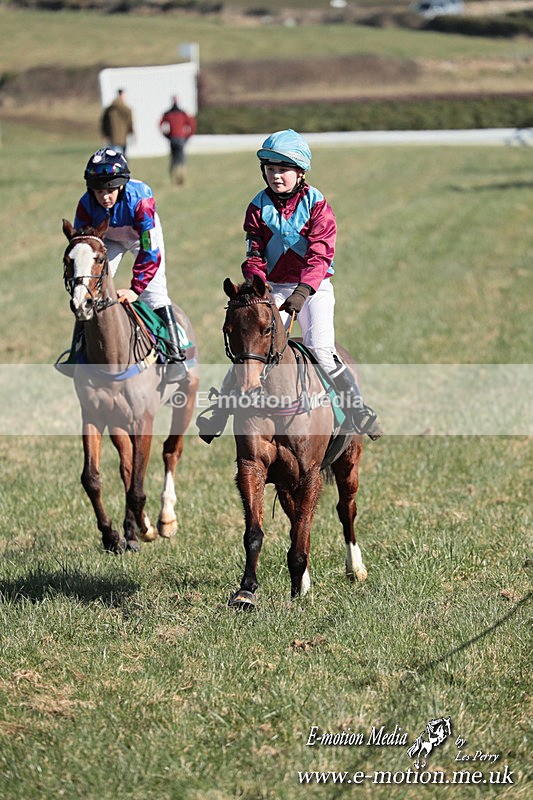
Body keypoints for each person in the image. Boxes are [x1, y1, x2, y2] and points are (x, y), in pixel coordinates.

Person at [197, 128, 382, 443]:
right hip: (274, 290)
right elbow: (254, 255)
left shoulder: (317, 205)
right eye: (270, 170)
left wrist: (302, 291)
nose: (276, 176)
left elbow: (320, 255)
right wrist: (258, 286)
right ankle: (222, 408)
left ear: (300, 172)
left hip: (315, 287)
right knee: (253, 348)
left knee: (321, 350)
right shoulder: (257, 207)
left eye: (282, 170)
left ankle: (357, 409)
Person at [56, 148, 186, 379]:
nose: (105, 197)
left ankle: (175, 355)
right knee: (87, 291)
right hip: (108, 240)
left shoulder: (141, 199)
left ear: (121, 186)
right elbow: (82, 243)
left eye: (110, 190)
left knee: (154, 294)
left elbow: (150, 250)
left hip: (141, 238)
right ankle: (76, 352)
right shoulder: (85, 204)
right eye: (99, 191)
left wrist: (136, 289)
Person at [159, 96, 197, 185]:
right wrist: (187, 136)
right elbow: (192, 124)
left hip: (172, 139)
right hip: (180, 139)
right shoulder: (183, 113)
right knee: (181, 160)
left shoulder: (167, 113)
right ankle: (181, 178)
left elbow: (160, 124)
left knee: (173, 159)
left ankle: (173, 178)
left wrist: (166, 135)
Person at [101, 89, 134, 156]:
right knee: (121, 156)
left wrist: (105, 134)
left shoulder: (109, 109)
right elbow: (130, 122)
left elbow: (104, 122)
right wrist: (131, 131)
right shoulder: (127, 109)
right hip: (123, 135)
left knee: (113, 155)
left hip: (112, 136)